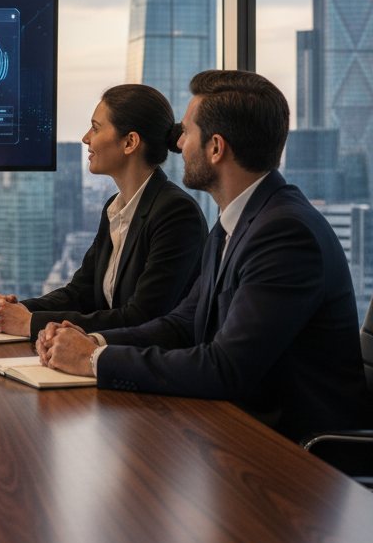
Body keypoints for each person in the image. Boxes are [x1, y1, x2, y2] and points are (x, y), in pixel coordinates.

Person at [41, 70, 371, 440]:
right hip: (239, 432)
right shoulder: (237, 221)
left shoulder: (286, 234)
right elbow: (183, 324)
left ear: (216, 148)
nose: (178, 143)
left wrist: (92, 361)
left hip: (299, 459)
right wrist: (94, 342)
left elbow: (225, 368)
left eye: (187, 132)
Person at [0, 84, 207, 337]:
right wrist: (16, 310)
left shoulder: (176, 213)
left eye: (96, 128)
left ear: (130, 142)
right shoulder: (115, 207)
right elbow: (80, 293)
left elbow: (141, 317)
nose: (86, 138)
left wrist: (29, 323)